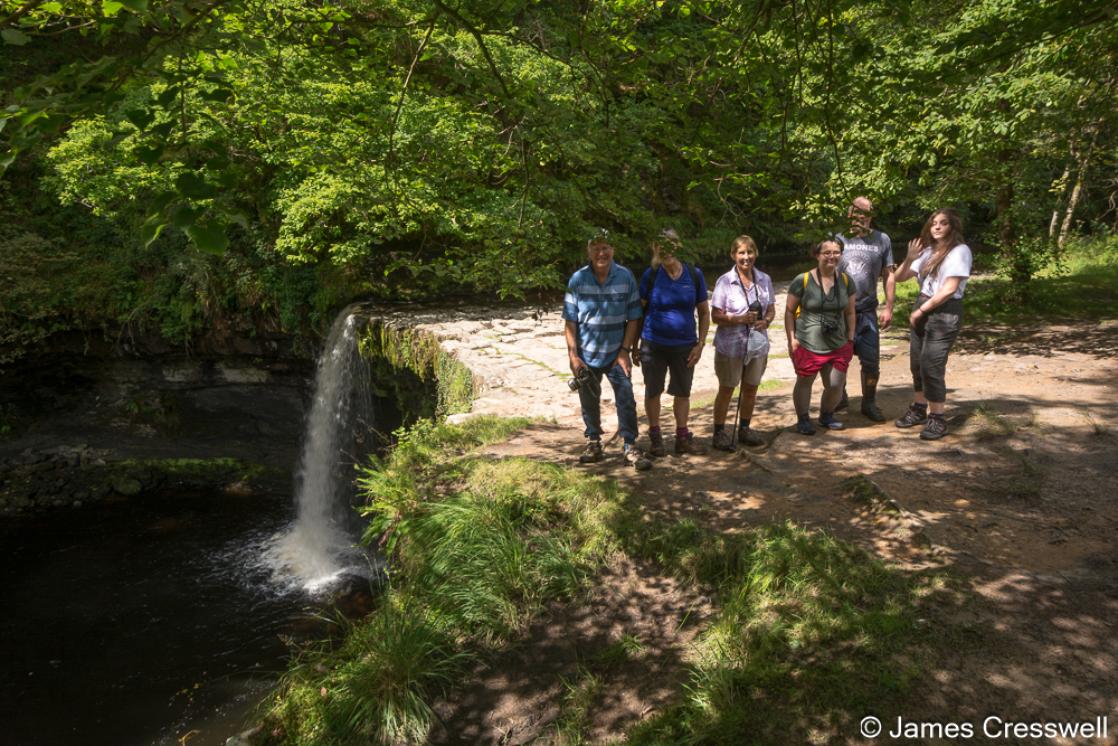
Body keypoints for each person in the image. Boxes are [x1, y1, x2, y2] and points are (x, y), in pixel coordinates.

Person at [563, 230, 652, 469]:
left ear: (613, 250)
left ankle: (630, 446)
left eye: (606, 248)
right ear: (589, 251)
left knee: (626, 398)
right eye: (596, 248)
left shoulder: (625, 277)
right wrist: (573, 355)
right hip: (586, 354)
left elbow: (634, 316)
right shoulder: (577, 280)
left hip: (616, 353)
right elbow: (570, 321)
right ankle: (594, 442)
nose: (601, 253)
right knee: (589, 399)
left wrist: (625, 350)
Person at [893, 209, 972, 440]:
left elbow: (948, 289)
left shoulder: (960, 251)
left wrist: (920, 311)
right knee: (917, 362)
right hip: (924, 304)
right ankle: (919, 408)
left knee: (931, 364)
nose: (936, 227)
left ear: (952, 227)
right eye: (933, 223)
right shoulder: (927, 251)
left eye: (943, 223)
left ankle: (937, 418)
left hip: (944, 312)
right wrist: (909, 257)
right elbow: (898, 278)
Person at [635, 228, 711, 456]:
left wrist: (701, 344)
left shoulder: (694, 274)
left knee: (683, 392)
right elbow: (639, 312)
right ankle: (656, 438)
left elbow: (704, 313)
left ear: (678, 246)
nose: (666, 250)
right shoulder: (651, 275)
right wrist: (635, 346)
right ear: (655, 250)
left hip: (685, 345)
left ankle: (681, 438)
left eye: (670, 245)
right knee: (653, 391)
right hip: (653, 343)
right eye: (661, 246)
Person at [709, 235, 776, 450]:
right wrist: (739, 319)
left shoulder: (764, 279)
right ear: (733, 255)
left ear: (755, 253)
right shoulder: (724, 281)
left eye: (750, 252)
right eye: (741, 253)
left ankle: (745, 429)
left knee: (751, 388)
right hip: (731, 345)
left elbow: (771, 309)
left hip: (757, 344)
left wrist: (765, 321)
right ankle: (719, 433)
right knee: (727, 388)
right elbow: (715, 316)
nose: (746, 257)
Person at [784, 238, 856, 435]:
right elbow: (789, 311)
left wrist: (850, 337)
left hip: (838, 342)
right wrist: (792, 339)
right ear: (817, 255)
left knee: (835, 384)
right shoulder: (803, 280)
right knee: (805, 381)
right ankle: (803, 419)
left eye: (836, 252)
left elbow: (850, 312)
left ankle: (826, 415)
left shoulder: (846, 281)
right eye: (827, 252)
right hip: (808, 341)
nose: (832, 256)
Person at [835, 196, 895, 421]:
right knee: (838, 360)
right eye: (857, 211)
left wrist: (889, 307)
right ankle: (838, 396)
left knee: (871, 362)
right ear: (849, 213)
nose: (862, 216)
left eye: (866, 212)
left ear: (872, 215)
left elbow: (889, 274)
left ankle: (869, 402)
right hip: (840, 313)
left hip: (868, 312)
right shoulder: (838, 237)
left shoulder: (882, 239)